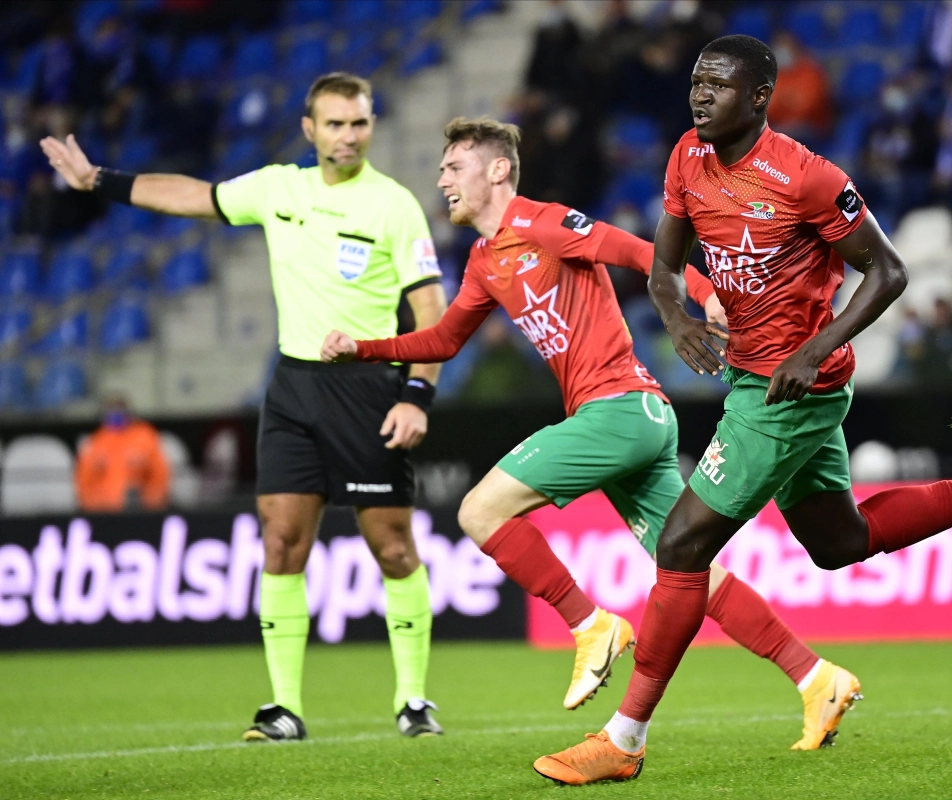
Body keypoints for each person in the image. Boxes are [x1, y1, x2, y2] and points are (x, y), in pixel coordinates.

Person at [534, 35, 952, 786]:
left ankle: (624, 739)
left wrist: (813, 350)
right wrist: (676, 318)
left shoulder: (807, 177)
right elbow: (666, 264)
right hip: (754, 376)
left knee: (679, 548)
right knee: (840, 541)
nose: (700, 95)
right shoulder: (686, 157)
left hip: (792, 389)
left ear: (761, 97)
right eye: (696, 82)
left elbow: (890, 271)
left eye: (718, 84)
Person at [322, 117, 854, 745]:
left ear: (497, 170)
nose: (442, 180)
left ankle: (590, 625)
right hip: (636, 419)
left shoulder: (544, 222)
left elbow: (635, 250)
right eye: (442, 169)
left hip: (619, 410)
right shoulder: (483, 260)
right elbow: (443, 340)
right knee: (690, 573)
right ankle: (816, 678)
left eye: (454, 167)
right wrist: (361, 347)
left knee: (478, 512)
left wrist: (704, 292)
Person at [41, 72, 449, 741]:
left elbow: (430, 309)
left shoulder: (394, 206)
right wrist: (99, 181)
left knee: (393, 547)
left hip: (369, 390)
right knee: (281, 543)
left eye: (360, 122)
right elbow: (193, 197)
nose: (349, 135)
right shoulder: (276, 188)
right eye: (336, 123)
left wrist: (416, 394)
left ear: (371, 125)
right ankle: (284, 706)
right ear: (308, 128)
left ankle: (412, 700)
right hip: (293, 388)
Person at [75, 394, 170, 512]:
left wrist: (150, 506)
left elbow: (159, 476)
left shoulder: (145, 437)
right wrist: (96, 510)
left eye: (120, 409)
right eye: (112, 410)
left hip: (139, 512)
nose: (116, 414)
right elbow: (84, 482)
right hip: (104, 514)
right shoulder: (95, 442)